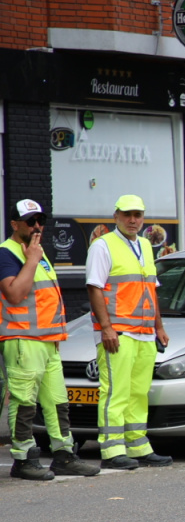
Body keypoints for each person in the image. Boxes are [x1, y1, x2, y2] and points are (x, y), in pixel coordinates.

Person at [1, 200, 95, 479]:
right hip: (23, 339)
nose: (37, 226)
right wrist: (31, 258)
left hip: (47, 340)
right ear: (14, 224)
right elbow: (15, 294)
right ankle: (24, 458)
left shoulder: (37, 253)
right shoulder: (9, 253)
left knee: (57, 401)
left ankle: (64, 455)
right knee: (24, 401)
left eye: (40, 220)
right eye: (30, 221)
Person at [85, 194, 170, 469]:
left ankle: (138, 446)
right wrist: (107, 328)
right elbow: (94, 287)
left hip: (144, 331)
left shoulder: (145, 245)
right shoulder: (102, 245)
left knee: (138, 392)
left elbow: (151, 288)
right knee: (116, 391)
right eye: (127, 215)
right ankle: (112, 451)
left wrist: (158, 326)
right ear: (116, 217)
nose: (132, 220)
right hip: (118, 332)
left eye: (137, 215)